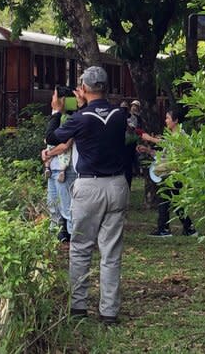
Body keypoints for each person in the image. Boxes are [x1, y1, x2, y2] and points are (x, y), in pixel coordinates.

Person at [45, 66, 129, 325]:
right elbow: (102, 117)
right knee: (111, 252)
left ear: (82, 88)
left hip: (89, 186)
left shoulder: (80, 118)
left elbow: (51, 137)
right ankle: (109, 312)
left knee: (81, 248)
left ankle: (78, 307)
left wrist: (57, 111)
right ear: (105, 87)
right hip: (117, 185)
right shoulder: (120, 114)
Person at [136, 108, 196, 237]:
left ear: (176, 120)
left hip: (174, 173)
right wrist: (148, 151)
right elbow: (163, 156)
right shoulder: (171, 135)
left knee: (166, 200)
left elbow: (169, 145)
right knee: (174, 201)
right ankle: (188, 228)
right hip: (169, 173)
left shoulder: (180, 135)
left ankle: (165, 229)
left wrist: (151, 139)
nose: (166, 120)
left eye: (168, 118)